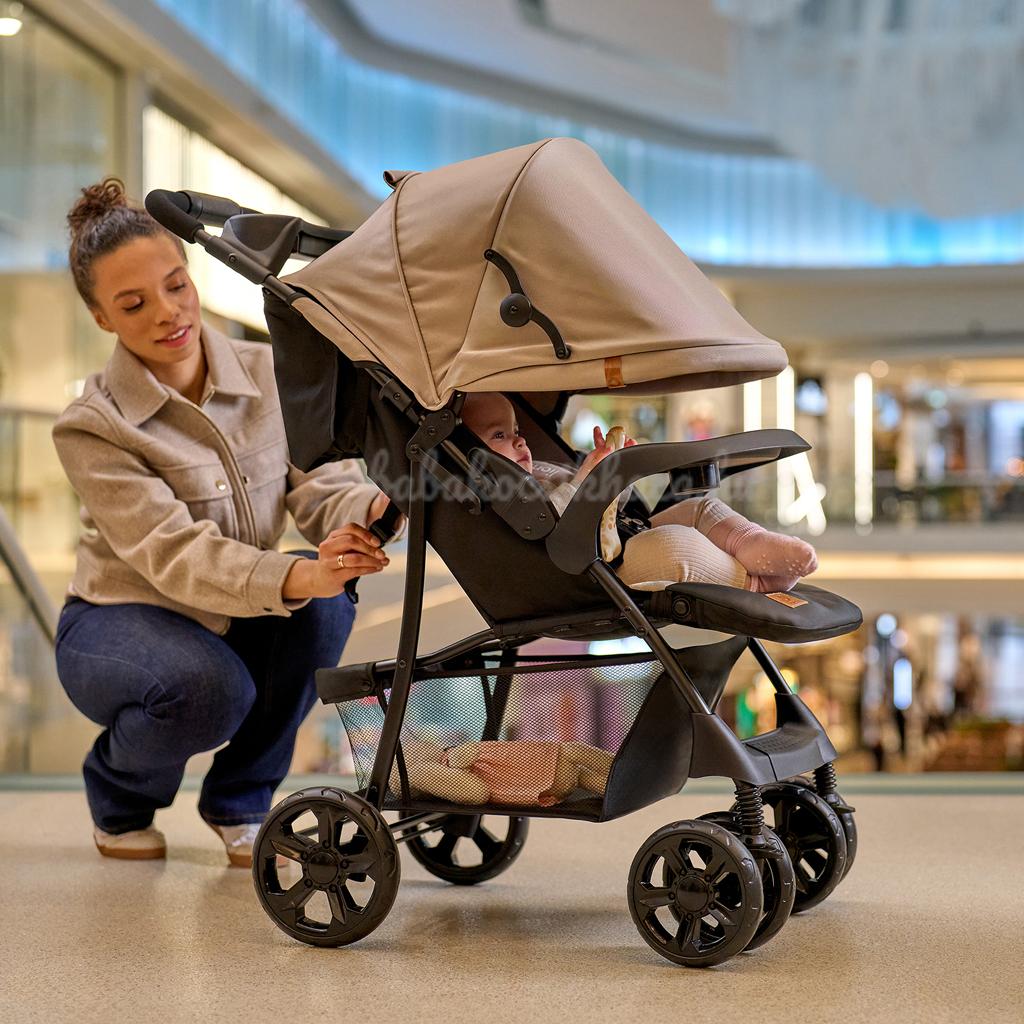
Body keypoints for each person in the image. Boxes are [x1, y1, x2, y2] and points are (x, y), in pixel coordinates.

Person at [53, 178, 395, 865]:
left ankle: (241, 801)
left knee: (327, 607)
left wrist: (379, 511)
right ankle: (119, 797)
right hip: (119, 618)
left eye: (176, 285)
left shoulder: (268, 373)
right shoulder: (92, 426)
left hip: (237, 605)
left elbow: (321, 484)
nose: (167, 312)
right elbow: (174, 552)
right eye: (133, 303)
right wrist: (297, 573)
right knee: (210, 690)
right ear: (101, 317)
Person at [460, 393, 817, 593]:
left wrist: (615, 472)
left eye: (516, 431)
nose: (520, 441)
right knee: (674, 545)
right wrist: (587, 478)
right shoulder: (502, 499)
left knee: (698, 508)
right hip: (597, 572)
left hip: (624, 534)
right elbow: (552, 523)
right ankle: (752, 582)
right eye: (499, 435)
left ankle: (752, 543)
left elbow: (608, 507)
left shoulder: (540, 471)